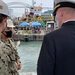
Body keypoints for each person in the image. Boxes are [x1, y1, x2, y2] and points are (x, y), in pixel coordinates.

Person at [37, 0, 75, 75]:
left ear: (61, 13)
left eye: (55, 14)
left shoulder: (51, 38)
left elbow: (44, 71)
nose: (56, 18)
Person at [0, 1, 20, 75]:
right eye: (8, 28)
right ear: (4, 21)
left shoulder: (10, 41)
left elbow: (15, 53)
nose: (10, 30)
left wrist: (18, 61)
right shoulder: (2, 46)